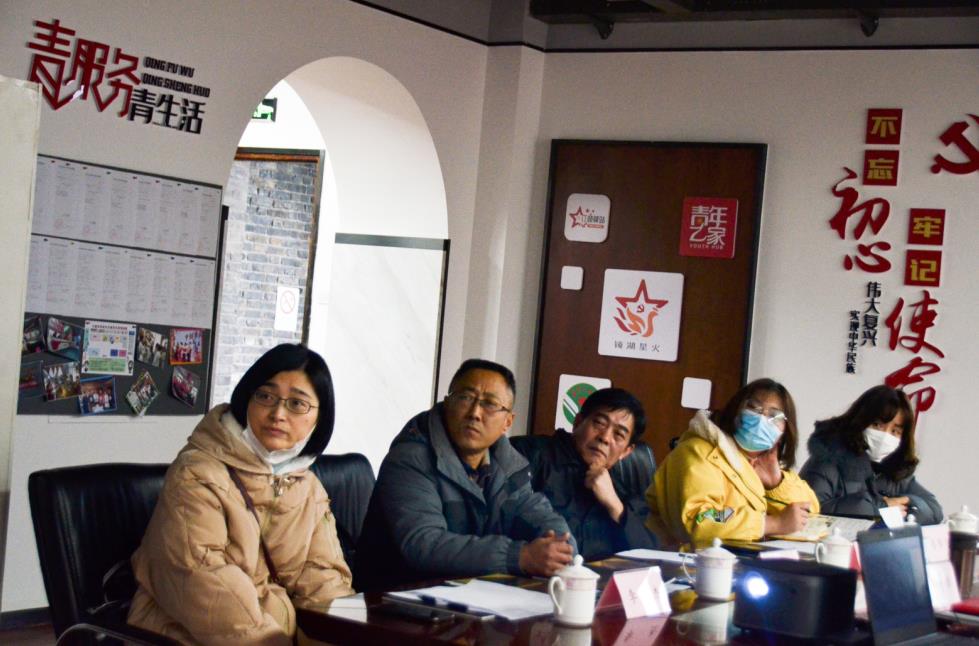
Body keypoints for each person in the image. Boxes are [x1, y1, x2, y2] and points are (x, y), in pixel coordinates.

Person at [128, 344, 352, 645]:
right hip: (182, 633)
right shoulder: (197, 473)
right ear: (247, 398)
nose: (278, 414)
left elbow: (324, 582)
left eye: (297, 404)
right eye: (265, 396)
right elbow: (204, 582)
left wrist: (344, 637)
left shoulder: (308, 489)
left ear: (319, 418)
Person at [355, 359, 575, 591]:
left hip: (464, 594)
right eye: (466, 398)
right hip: (394, 598)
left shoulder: (507, 463)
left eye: (490, 404)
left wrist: (561, 549)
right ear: (447, 403)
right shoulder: (410, 459)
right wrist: (518, 556)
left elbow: (537, 513)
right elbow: (423, 544)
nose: (475, 413)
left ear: (507, 422)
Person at [645, 378, 819, 549]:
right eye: (754, 408)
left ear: (785, 431)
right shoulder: (699, 452)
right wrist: (770, 523)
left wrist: (776, 484)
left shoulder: (765, 461)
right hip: (686, 561)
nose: (762, 419)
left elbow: (811, 512)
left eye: (775, 416)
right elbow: (701, 517)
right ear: (736, 410)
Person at [512, 387, 657, 560]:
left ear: (626, 451)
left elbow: (649, 554)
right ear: (578, 422)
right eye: (600, 423)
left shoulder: (623, 492)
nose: (605, 437)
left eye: (618, 434)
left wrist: (614, 505)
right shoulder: (528, 454)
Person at [800, 385, 942, 524]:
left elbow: (934, 511)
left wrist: (907, 502)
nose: (885, 436)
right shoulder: (826, 460)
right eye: (877, 425)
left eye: (895, 431)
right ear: (859, 421)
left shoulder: (894, 470)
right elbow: (809, 513)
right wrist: (879, 508)